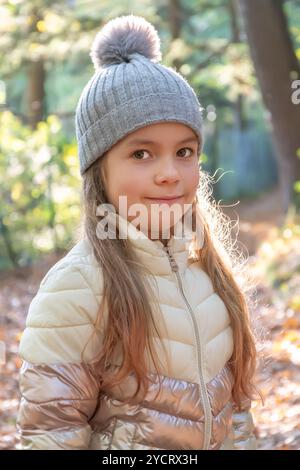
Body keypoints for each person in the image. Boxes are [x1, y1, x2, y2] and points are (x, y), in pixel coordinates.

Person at [16, 14, 263, 450]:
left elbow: (236, 414)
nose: (170, 173)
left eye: (184, 151)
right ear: (99, 172)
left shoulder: (209, 272)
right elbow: (49, 436)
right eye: (142, 153)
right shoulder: (77, 288)